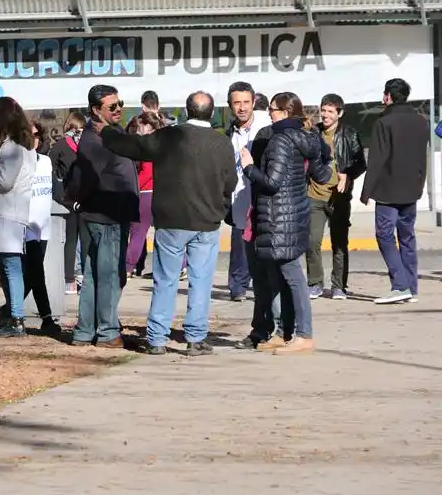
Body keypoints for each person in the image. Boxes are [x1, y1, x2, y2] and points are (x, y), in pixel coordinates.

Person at [102, 92, 237, 355]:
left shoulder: (169, 136)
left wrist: (106, 131)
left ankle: (157, 339)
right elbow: (229, 182)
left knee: (165, 281)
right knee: (200, 282)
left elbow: (133, 147)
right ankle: (195, 338)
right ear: (211, 113)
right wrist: (219, 208)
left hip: (171, 219)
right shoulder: (221, 142)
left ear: (186, 111)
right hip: (207, 221)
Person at [240, 92, 332, 355]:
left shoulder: (280, 139)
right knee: (280, 276)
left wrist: (248, 167)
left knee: (292, 277)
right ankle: (285, 332)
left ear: (285, 112)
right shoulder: (307, 136)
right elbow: (323, 174)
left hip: (280, 216)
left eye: (272, 109)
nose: (269, 113)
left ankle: (304, 335)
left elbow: (271, 182)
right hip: (294, 213)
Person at [65, 85, 139, 349]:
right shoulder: (95, 139)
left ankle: (85, 331)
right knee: (108, 275)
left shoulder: (109, 133)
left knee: (95, 274)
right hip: (106, 215)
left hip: (110, 213)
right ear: (96, 110)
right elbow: (87, 179)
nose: (119, 109)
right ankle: (107, 332)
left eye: (120, 103)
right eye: (112, 106)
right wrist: (79, 202)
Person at [361, 78, 430, 305]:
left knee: (384, 235)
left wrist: (366, 191)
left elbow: (377, 160)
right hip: (412, 189)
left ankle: (400, 285)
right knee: (407, 236)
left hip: (388, 191)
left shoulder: (384, 122)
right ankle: (411, 287)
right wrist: (420, 183)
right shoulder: (421, 121)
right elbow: (422, 156)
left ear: (388, 96)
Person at [0, 96, 37, 338]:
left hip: (8, 213)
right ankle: (12, 312)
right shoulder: (24, 146)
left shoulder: (12, 148)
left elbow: (3, 181)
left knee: (10, 265)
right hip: (12, 211)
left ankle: (16, 317)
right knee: (4, 265)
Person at [306, 94, 365, 300]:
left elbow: (360, 163)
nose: (325, 115)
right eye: (323, 110)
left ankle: (339, 286)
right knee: (311, 241)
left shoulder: (349, 134)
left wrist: (348, 175)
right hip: (314, 195)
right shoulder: (313, 133)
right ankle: (315, 283)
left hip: (338, 197)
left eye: (330, 111)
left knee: (339, 242)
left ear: (340, 113)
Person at [225, 82, 272, 302]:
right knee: (239, 243)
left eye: (246, 102)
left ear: (254, 102)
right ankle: (238, 286)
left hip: (263, 194)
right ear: (230, 105)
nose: (242, 107)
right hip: (239, 197)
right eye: (237, 103)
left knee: (264, 245)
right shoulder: (230, 132)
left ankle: (265, 285)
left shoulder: (266, 127)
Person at [22, 120, 58, 335]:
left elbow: (55, 189)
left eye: (36, 135)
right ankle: (47, 317)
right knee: (37, 273)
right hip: (26, 226)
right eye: (29, 135)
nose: (34, 139)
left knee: (32, 275)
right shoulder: (19, 162)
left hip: (43, 225)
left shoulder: (46, 161)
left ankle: (10, 309)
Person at [122, 111, 165, 278]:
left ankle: (127, 266)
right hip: (159, 191)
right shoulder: (162, 144)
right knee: (165, 232)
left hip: (145, 193)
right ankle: (181, 265)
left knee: (138, 233)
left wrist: (131, 187)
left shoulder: (147, 146)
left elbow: (146, 173)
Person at [50, 111, 86, 294]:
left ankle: (70, 280)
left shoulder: (61, 145)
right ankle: (83, 279)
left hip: (70, 197)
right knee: (83, 239)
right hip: (83, 197)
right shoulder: (88, 144)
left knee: (72, 239)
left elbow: (51, 167)